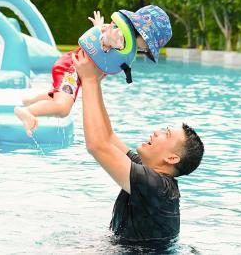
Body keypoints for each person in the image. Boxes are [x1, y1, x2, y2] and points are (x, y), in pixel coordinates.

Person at [72, 48, 204, 242]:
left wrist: (89, 80)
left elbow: (96, 145)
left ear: (172, 158)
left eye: (165, 134)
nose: (156, 132)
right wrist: (96, 81)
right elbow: (108, 138)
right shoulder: (148, 171)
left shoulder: (158, 187)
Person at [14, 5, 170, 136]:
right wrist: (108, 39)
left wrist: (99, 28)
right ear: (143, 34)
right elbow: (106, 41)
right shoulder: (120, 37)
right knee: (63, 108)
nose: (146, 49)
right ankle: (28, 112)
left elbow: (102, 42)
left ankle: (32, 100)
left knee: (61, 95)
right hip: (72, 68)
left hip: (72, 66)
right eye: (149, 45)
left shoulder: (122, 36)